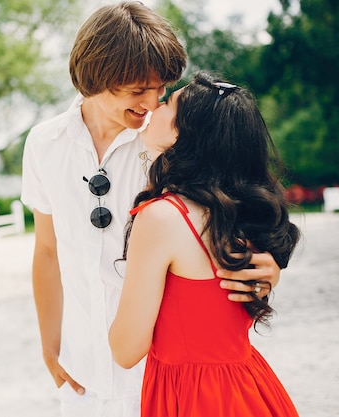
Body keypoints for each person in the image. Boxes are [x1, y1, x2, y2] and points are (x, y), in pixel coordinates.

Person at [21, 3, 282, 416]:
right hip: (82, 372)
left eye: (161, 89)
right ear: (96, 78)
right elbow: (47, 251)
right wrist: (50, 346)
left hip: (160, 377)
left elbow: (237, 199)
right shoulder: (43, 143)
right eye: (138, 90)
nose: (152, 102)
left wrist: (268, 263)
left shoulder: (168, 141)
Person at [109, 72, 301, 416]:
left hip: (193, 397)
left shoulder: (161, 218)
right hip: (249, 385)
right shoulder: (242, 210)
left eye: (167, 103)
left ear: (182, 133)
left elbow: (125, 350)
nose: (155, 105)